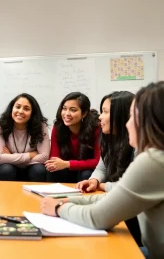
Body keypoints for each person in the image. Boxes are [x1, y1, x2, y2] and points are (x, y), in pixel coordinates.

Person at [41, 82, 164, 259]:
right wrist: (74, 199)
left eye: (132, 117)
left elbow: (98, 217)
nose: (129, 124)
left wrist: (60, 207)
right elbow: (115, 193)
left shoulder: (153, 160)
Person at [76, 91, 142, 247]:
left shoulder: (139, 145)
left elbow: (129, 188)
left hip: (136, 214)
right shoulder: (108, 137)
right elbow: (102, 166)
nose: (99, 117)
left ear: (121, 115)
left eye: (105, 112)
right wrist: (94, 180)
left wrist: (102, 186)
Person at [0, 93, 50, 182]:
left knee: (39, 171)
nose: (20, 111)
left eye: (26, 109)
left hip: (32, 167)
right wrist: (30, 155)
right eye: (17, 107)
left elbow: (44, 157)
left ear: (32, 113)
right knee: (6, 170)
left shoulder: (41, 126)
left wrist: (11, 157)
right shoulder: (0, 126)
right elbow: (0, 158)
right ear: (12, 108)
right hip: (9, 167)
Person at [46, 92, 100, 183]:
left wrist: (68, 164)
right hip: (66, 169)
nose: (67, 114)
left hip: (87, 169)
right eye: (64, 109)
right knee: (52, 170)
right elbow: (54, 157)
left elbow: (98, 162)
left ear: (84, 113)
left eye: (73, 110)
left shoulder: (96, 128)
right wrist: (56, 164)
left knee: (86, 174)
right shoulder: (58, 126)